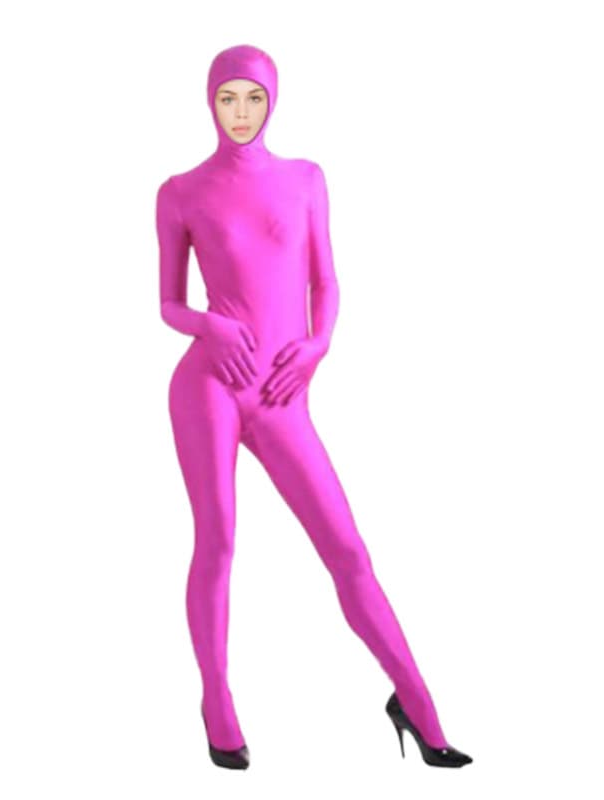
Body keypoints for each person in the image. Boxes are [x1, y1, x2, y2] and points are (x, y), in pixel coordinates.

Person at [156, 43, 472, 771]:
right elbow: (168, 303)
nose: (240, 112)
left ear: (273, 102)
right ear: (209, 102)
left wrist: (319, 344)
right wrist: (209, 326)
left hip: (281, 391)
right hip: (208, 384)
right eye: (228, 98)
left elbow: (326, 281)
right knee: (219, 539)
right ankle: (216, 702)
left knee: (348, 550)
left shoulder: (305, 179)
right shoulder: (180, 191)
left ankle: (420, 707)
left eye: (254, 99)